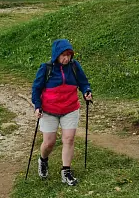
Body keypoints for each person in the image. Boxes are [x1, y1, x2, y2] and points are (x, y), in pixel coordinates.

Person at [31, 39, 93, 186]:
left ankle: (66, 172)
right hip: (49, 110)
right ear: (56, 55)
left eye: (69, 55)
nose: (66, 58)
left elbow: (84, 82)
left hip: (70, 109)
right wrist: (37, 106)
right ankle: (43, 160)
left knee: (69, 139)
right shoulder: (46, 68)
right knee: (49, 143)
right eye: (63, 55)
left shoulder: (74, 67)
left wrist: (86, 91)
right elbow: (36, 89)